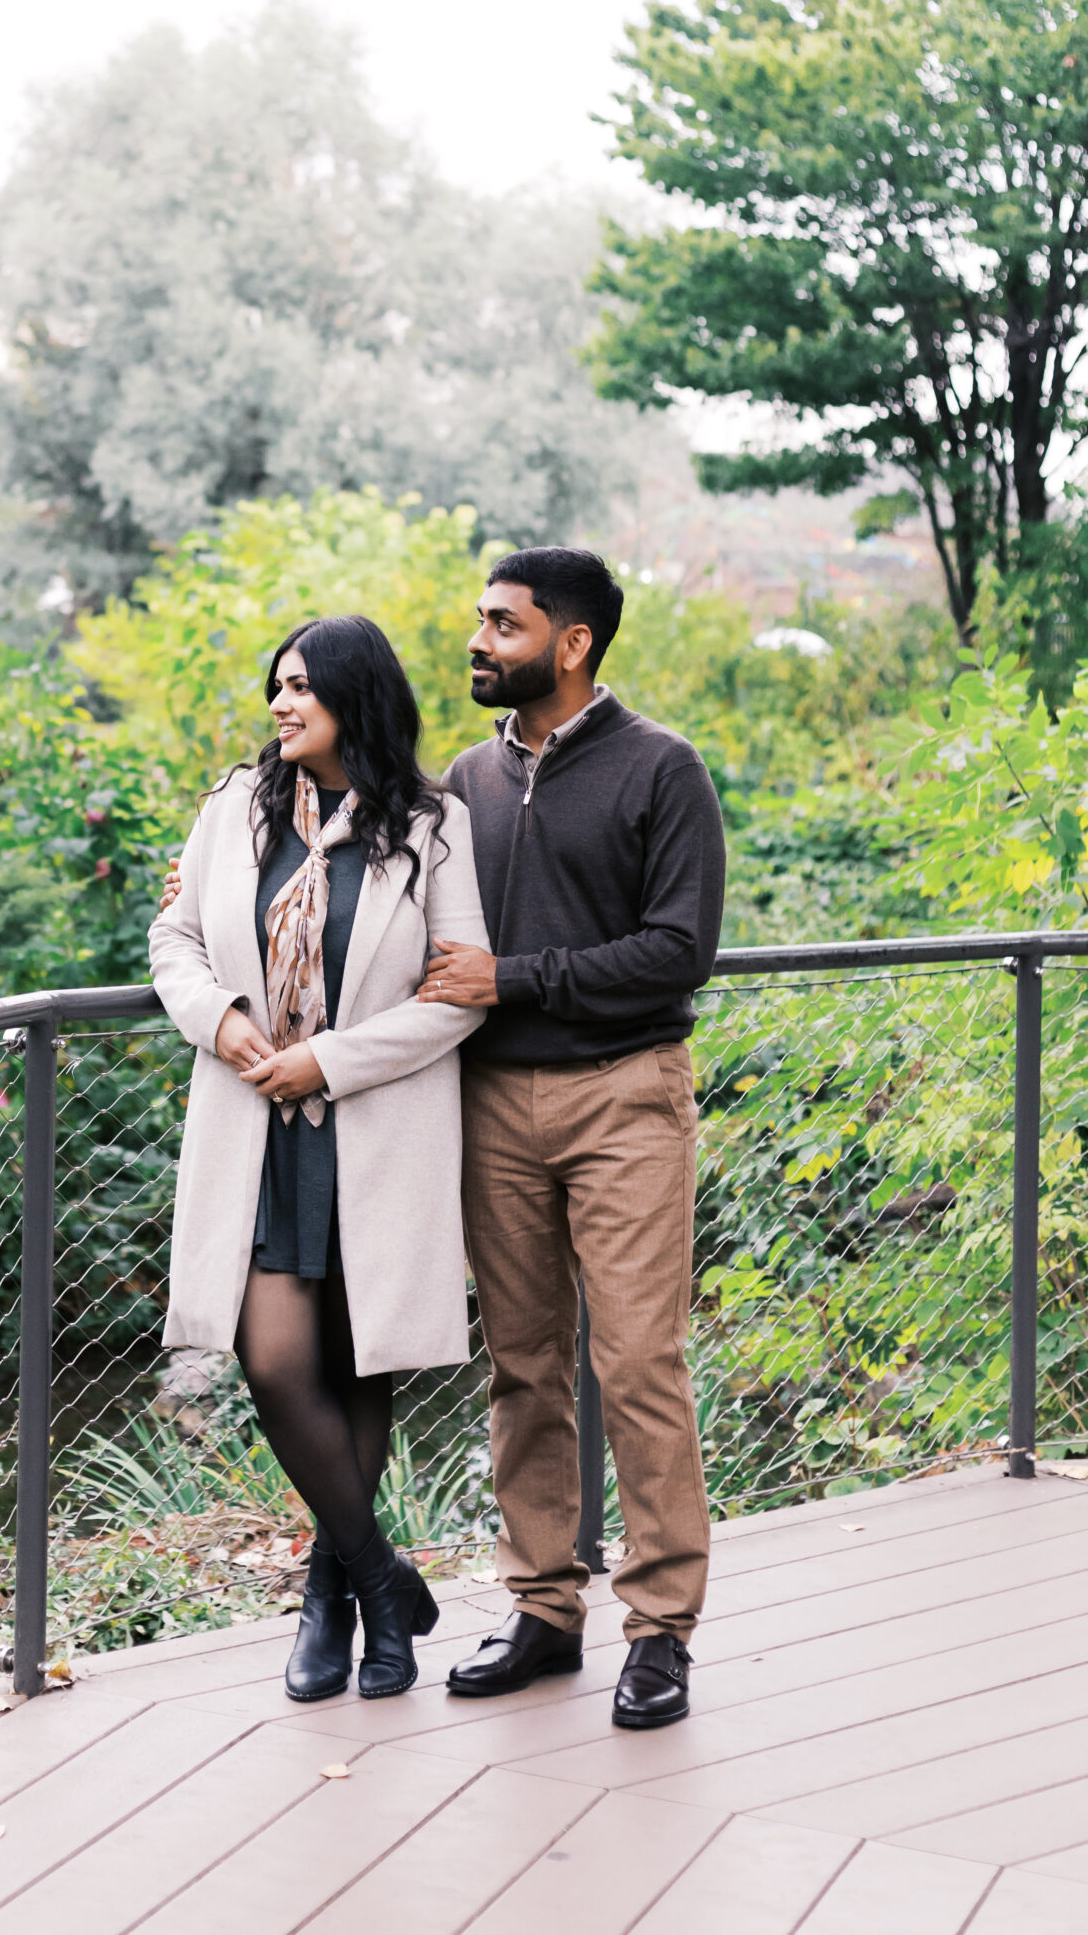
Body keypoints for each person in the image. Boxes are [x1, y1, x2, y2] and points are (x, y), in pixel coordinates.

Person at [149, 614, 492, 1702]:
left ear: (356, 696)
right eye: (277, 686)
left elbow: (457, 998)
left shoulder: (435, 828)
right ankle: (383, 1581)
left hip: (372, 1131)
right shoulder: (233, 812)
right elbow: (174, 941)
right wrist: (225, 1022)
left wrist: (328, 1063)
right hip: (257, 1132)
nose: (282, 704)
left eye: (302, 687)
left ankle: (330, 1597)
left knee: (356, 1368)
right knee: (277, 1363)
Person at [417, 546, 726, 1728]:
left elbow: (677, 949)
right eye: (480, 621)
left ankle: (661, 1631)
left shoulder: (662, 767)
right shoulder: (463, 777)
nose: (479, 641)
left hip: (625, 1094)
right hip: (492, 1104)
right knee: (523, 1365)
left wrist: (517, 976)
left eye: (501, 623)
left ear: (573, 640)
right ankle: (546, 1606)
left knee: (639, 1363)